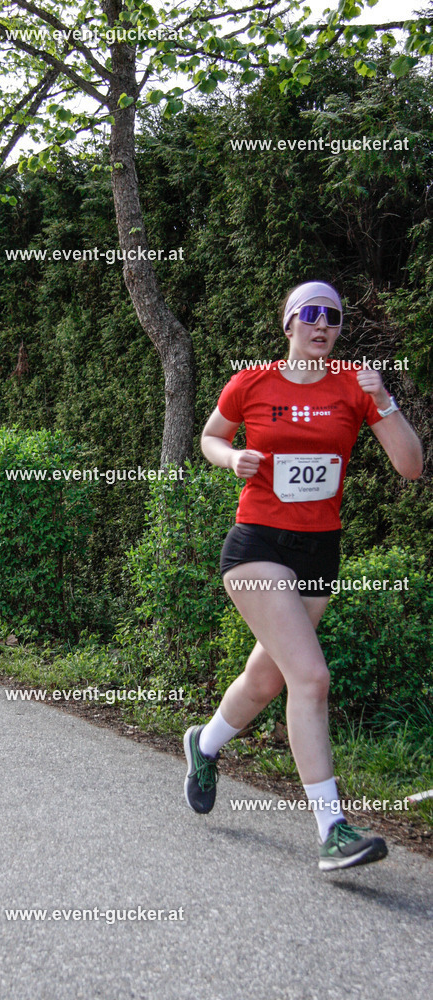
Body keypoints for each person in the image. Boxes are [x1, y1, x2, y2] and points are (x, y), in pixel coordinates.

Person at [185, 280, 423, 871]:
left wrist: (385, 399)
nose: (324, 325)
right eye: (311, 314)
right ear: (289, 323)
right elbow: (211, 436)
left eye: (334, 318)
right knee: (311, 678)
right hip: (257, 544)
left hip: (319, 551)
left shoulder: (355, 386)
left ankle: (204, 744)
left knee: (268, 677)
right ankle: (333, 828)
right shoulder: (253, 382)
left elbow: (411, 467)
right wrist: (231, 456)